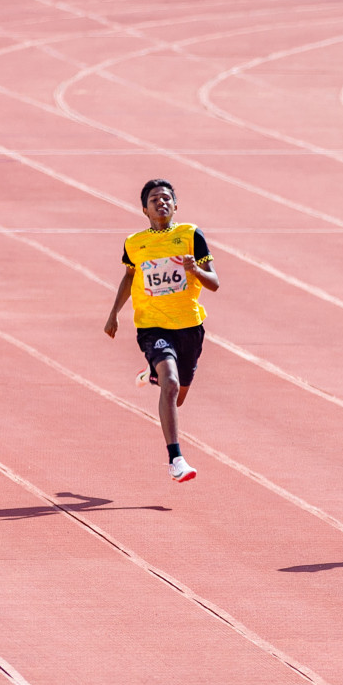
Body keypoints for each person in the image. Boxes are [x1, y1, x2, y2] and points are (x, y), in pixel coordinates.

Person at [104, 179, 220, 483]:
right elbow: (129, 277)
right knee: (170, 384)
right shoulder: (134, 243)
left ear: (176, 205)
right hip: (152, 324)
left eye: (167, 198)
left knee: (178, 396)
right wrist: (114, 313)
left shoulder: (191, 236)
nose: (161, 202)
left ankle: (153, 372)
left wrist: (195, 270)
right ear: (145, 209)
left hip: (189, 326)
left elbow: (215, 283)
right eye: (155, 199)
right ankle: (176, 459)